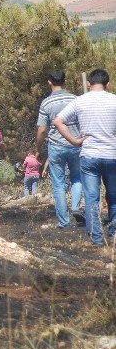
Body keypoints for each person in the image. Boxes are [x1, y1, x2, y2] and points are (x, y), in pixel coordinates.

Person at [55, 69, 116, 247]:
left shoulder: (80, 101)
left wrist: (75, 141)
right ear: (108, 84)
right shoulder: (114, 100)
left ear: (89, 84)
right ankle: (113, 236)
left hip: (89, 155)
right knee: (113, 197)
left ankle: (96, 239)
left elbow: (58, 121)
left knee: (91, 197)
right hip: (112, 155)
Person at [35, 69, 84, 229]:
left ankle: (64, 222)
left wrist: (38, 149)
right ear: (65, 81)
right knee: (77, 178)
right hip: (76, 145)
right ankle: (76, 207)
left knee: (58, 184)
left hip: (56, 147)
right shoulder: (75, 99)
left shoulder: (46, 103)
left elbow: (42, 130)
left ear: (49, 82)